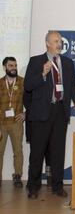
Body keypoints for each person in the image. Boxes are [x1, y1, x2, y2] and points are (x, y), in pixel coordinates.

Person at [24, 31, 75, 199]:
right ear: (47, 43)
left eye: (60, 41)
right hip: (41, 112)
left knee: (58, 152)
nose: (59, 44)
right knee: (37, 152)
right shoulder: (36, 61)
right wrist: (42, 73)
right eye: (56, 41)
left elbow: (72, 86)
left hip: (60, 111)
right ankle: (33, 186)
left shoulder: (68, 62)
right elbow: (28, 85)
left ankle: (57, 186)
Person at [0, 57, 25, 188]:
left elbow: (31, 99)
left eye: (15, 65)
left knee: (18, 151)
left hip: (16, 122)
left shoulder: (22, 82)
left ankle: (17, 176)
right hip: (1, 123)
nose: (14, 67)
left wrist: (26, 113)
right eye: (10, 65)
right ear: (5, 68)